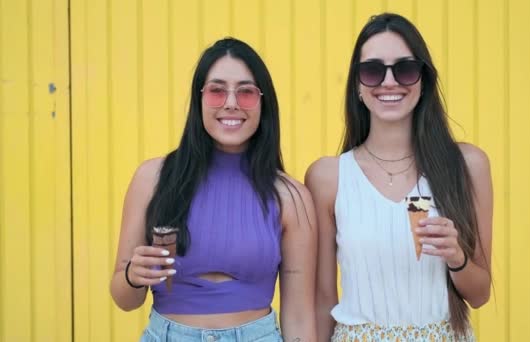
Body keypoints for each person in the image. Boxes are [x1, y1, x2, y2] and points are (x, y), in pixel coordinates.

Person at [110, 38, 317, 342]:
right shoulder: (152, 178)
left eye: (245, 92)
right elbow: (124, 299)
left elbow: (299, 317)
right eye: (217, 91)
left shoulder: (290, 196)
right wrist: (132, 276)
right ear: (200, 100)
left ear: (263, 103)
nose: (230, 103)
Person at [306, 13, 493, 341]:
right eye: (372, 70)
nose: (389, 82)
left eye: (405, 69)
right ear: (358, 86)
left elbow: (479, 295)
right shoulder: (328, 177)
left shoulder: (467, 164)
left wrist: (456, 257)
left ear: (423, 81)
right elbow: (323, 300)